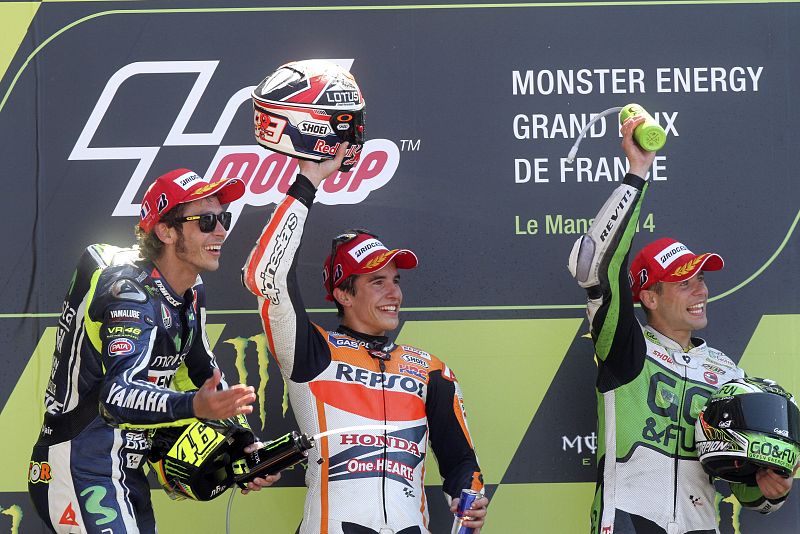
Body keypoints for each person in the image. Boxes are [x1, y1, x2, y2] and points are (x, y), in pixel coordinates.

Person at [242, 145, 488, 534]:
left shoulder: (431, 371)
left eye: (396, 280)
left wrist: (469, 500)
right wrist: (308, 181)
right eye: (377, 282)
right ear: (343, 293)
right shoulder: (312, 353)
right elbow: (267, 277)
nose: (394, 293)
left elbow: (461, 463)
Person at [568, 116, 795, 534]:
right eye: (684, 283)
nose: (700, 291)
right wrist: (637, 173)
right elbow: (597, 266)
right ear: (650, 297)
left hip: (700, 525)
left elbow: (744, 484)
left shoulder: (727, 373)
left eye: (701, 279)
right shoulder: (625, 346)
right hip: (630, 521)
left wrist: (770, 490)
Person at [28, 169, 278, 534]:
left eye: (223, 219)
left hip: (126, 469)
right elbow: (116, 396)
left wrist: (246, 444)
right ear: (165, 231)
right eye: (206, 221)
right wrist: (194, 406)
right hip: (79, 464)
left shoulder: (191, 291)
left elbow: (201, 373)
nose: (221, 231)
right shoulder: (126, 291)